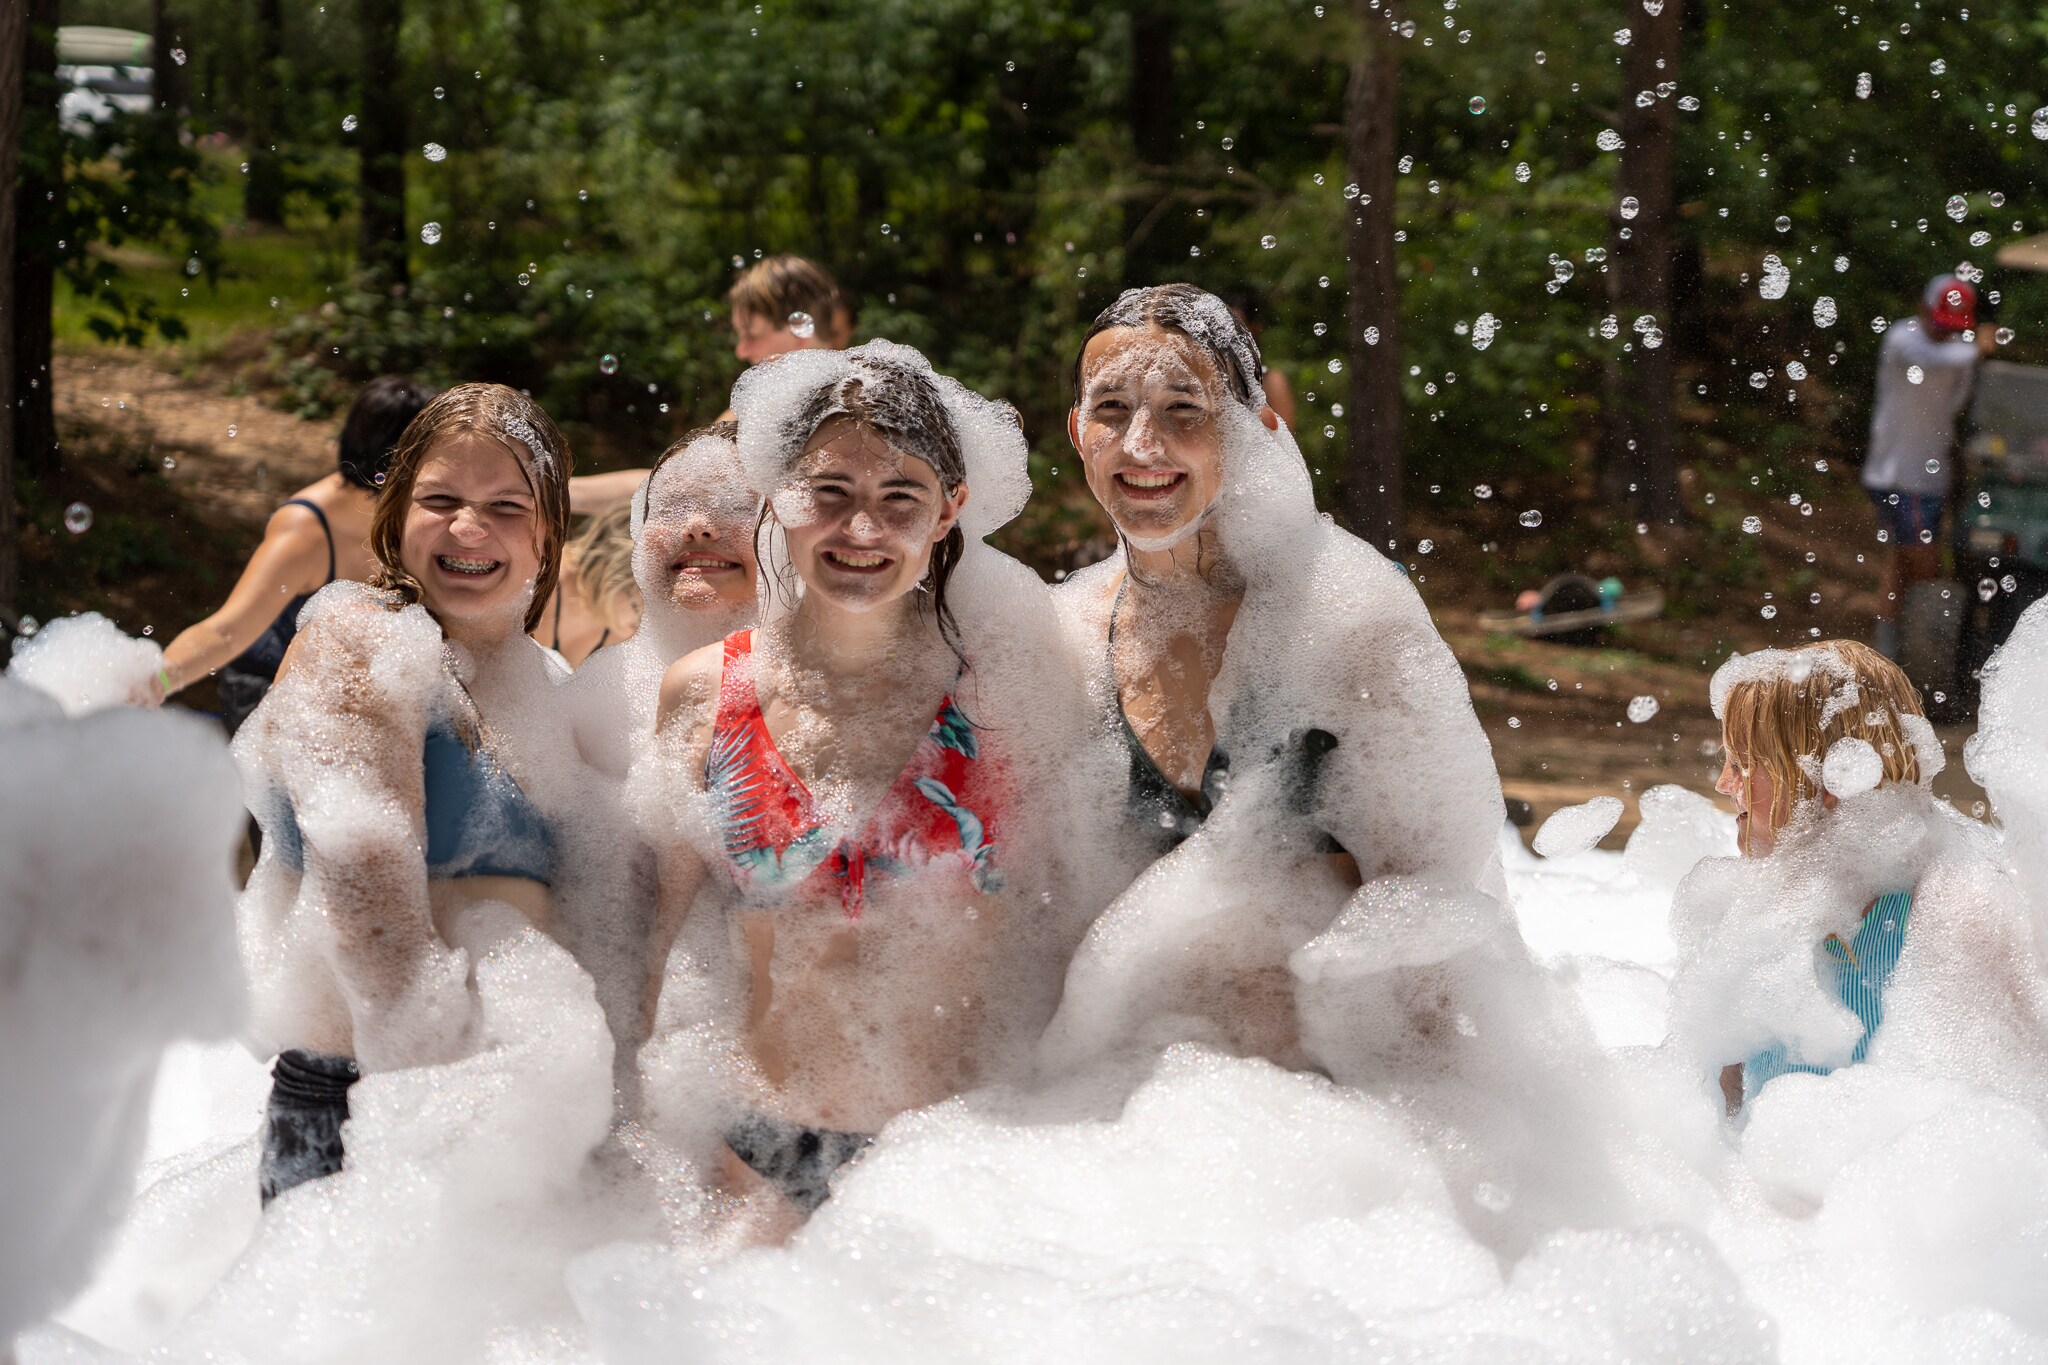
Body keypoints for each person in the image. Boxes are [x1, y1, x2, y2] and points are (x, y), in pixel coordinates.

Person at [638, 341, 1079, 1221]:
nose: (862, 531)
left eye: (899, 498)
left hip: (957, 1173)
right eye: (828, 494)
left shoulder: (1013, 693)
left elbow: (1074, 926)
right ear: (777, 499)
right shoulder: (704, 693)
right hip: (752, 1154)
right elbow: (647, 954)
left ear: (950, 508)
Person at [234, 382, 574, 1203]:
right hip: (373, 1106)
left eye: (505, 505)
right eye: (441, 500)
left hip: (491, 1094)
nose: (468, 527)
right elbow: (372, 916)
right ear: (394, 514)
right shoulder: (360, 646)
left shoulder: (541, 679)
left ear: (548, 530)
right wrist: (453, 1101)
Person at [151, 375, 437, 728]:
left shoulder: (426, 515)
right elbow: (227, 631)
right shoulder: (307, 529)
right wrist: (158, 682)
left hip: (356, 692)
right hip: (268, 693)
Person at [567, 254, 856, 512]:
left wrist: (559, 493)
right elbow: (668, 481)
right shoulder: (765, 406)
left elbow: (671, 485)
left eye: (750, 335)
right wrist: (561, 493)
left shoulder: (851, 408)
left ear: (798, 330)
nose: (741, 351)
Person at [1862, 274, 1997, 659]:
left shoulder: (1960, 352)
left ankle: (1888, 653)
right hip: (1900, 475)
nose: (1944, 334)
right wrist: (1979, 348)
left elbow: (1958, 403)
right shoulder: (1902, 340)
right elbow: (1930, 359)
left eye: (1952, 328)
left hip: (1929, 477)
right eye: (1940, 323)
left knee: (1901, 566)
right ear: (1923, 310)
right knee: (1926, 570)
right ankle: (1930, 655)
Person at [535, 502, 640, 667]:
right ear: (611, 574)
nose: (645, 626)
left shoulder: (619, 628)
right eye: (639, 611)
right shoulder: (545, 579)